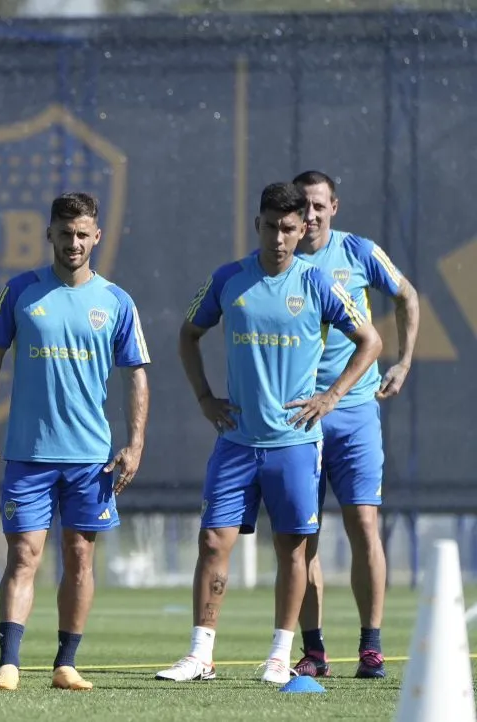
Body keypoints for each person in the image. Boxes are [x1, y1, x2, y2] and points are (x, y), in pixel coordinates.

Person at [155, 182, 382, 685]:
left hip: (296, 445)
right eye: (269, 226)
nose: (278, 237)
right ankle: (200, 655)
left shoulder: (319, 284)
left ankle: (280, 656)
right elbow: (189, 334)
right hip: (236, 441)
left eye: (288, 228)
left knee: (293, 550)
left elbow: (370, 339)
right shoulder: (229, 279)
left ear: (302, 230)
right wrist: (204, 398)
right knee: (213, 542)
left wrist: (331, 397)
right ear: (256, 225)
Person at [0, 192, 151, 692]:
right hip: (29, 453)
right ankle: (8, 663)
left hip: (91, 458)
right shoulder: (20, 292)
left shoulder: (116, 301)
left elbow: (136, 375)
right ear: (49, 233)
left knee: (80, 558)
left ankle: (65, 663)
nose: (73, 243)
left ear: (97, 236)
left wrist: (135, 443)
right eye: (64, 233)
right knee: (24, 555)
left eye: (82, 234)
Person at [291, 170, 419, 679]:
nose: (310, 214)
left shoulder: (359, 251)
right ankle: (314, 650)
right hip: (298, 419)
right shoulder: (278, 260)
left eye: (319, 205)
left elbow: (406, 295)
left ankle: (370, 646)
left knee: (364, 525)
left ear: (334, 207)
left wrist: (405, 362)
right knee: (302, 536)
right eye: (302, 205)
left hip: (353, 411)